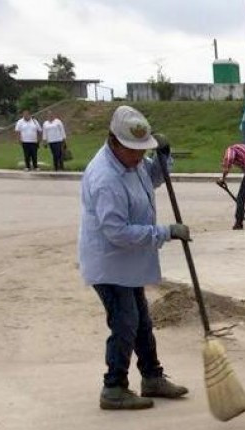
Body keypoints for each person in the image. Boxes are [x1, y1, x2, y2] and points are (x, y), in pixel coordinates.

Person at [78, 105, 190, 410]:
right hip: (110, 262)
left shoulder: (131, 161)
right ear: (114, 142)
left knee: (141, 320)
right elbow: (117, 232)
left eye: (145, 150)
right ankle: (113, 387)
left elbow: (152, 177)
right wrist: (165, 232)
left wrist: (164, 156)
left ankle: (152, 377)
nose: (141, 157)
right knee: (126, 322)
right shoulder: (105, 179)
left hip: (129, 262)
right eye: (135, 151)